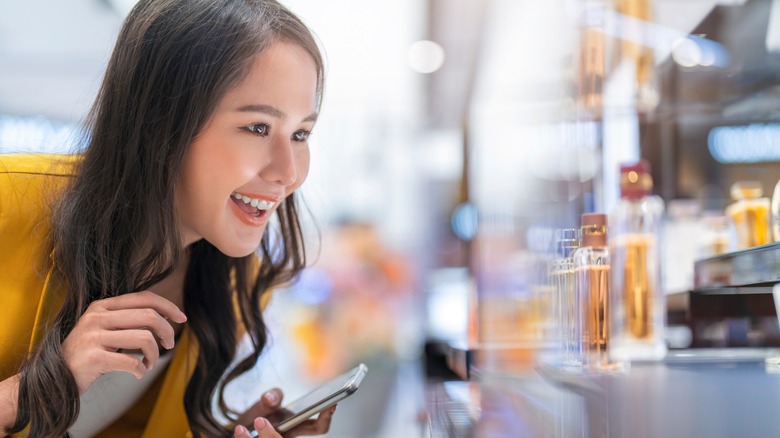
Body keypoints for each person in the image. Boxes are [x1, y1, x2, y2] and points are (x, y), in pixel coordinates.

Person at [0, 0, 332, 436]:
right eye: (257, 128)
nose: (289, 173)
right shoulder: (9, 203)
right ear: (164, 123)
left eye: (300, 134)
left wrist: (218, 430)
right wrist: (42, 388)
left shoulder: (236, 282)